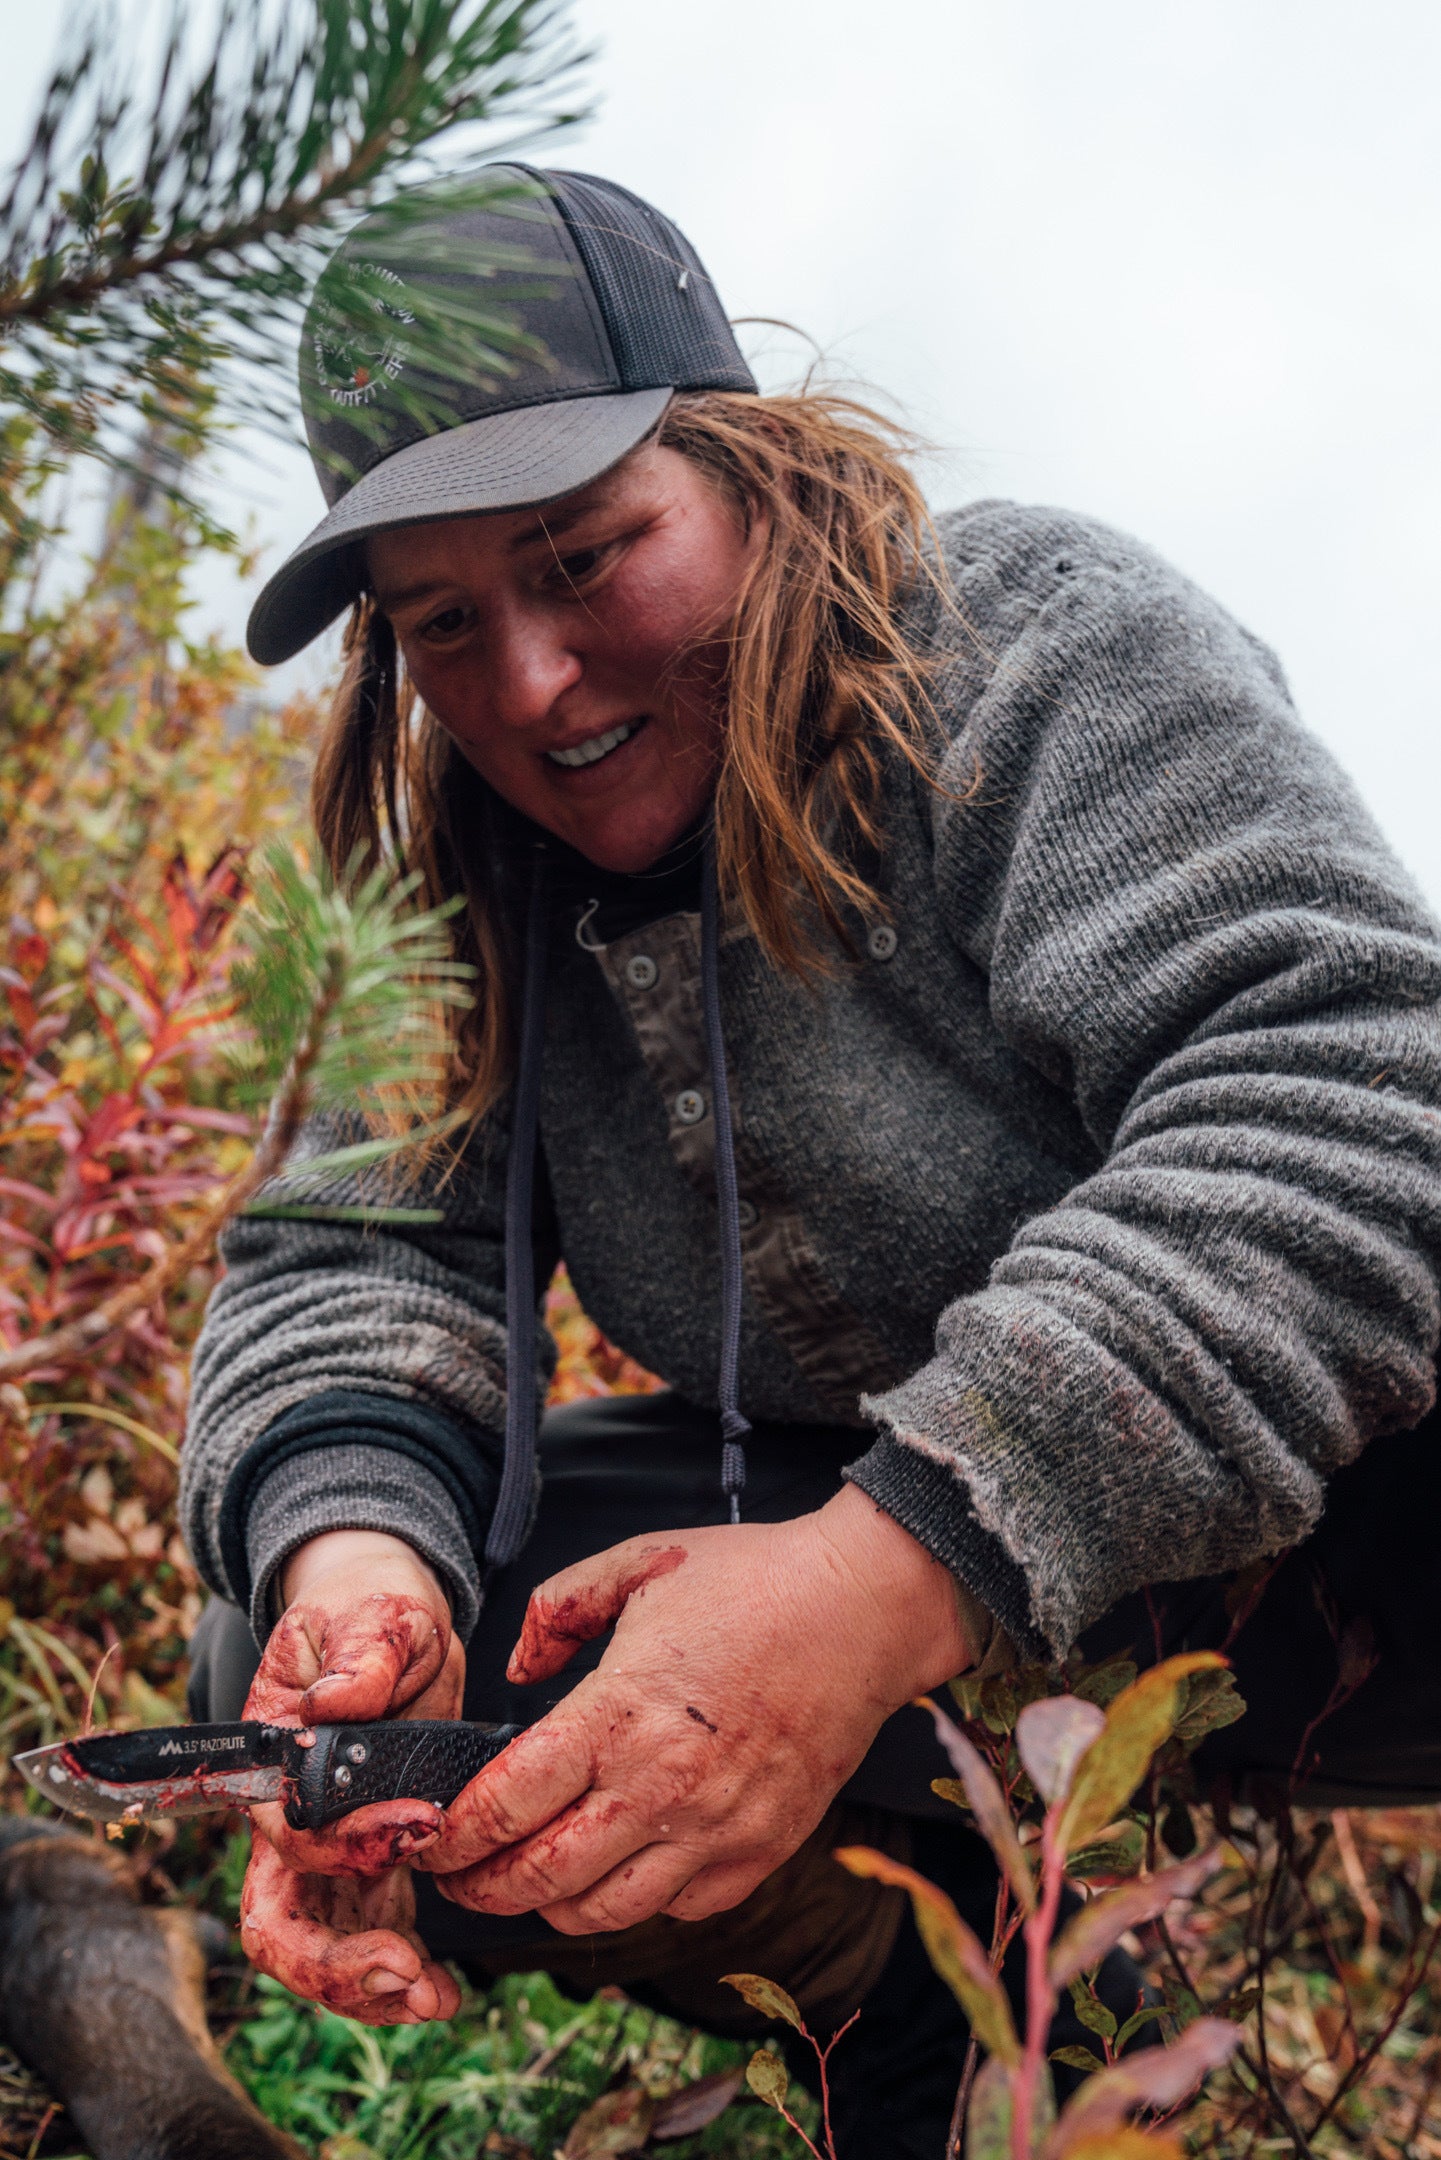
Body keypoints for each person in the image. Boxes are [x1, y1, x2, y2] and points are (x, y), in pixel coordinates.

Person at [181, 165, 1441, 2156]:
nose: (525, 685)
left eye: (587, 558)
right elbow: (347, 1268)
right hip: (893, 1586)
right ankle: (942, 2013)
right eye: (443, 626)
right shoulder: (443, 869)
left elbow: (1355, 1094)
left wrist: (884, 1573)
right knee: (291, 1649)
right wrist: (361, 1565)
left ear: (747, 473)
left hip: (1351, 1552)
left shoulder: (1026, 647)